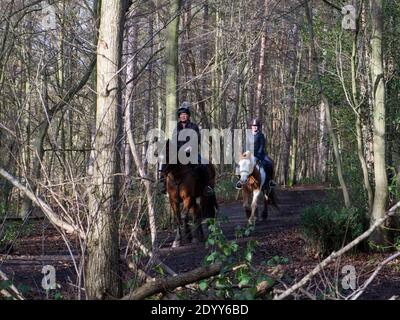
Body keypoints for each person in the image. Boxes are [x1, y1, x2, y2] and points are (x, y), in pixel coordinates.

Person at [159, 102, 214, 196]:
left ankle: (207, 186)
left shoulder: (193, 126)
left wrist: (190, 147)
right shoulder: (176, 128)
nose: (183, 116)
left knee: (203, 165)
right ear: (179, 117)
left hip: (191, 152)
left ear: (188, 116)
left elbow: (197, 139)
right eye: (181, 115)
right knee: (165, 162)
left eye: (185, 115)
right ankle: (163, 184)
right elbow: (173, 140)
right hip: (178, 153)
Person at [235, 118, 275, 190]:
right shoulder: (248, 135)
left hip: (260, 155)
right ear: (251, 126)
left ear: (258, 127)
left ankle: (270, 181)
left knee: (269, 163)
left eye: (256, 125)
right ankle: (240, 181)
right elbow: (246, 145)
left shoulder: (261, 135)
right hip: (249, 155)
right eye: (253, 126)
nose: (255, 127)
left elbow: (262, 146)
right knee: (239, 164)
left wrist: (257, 154)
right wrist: (245, 153)